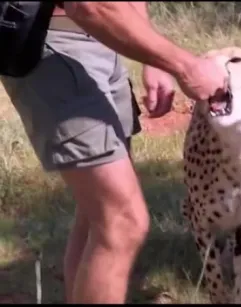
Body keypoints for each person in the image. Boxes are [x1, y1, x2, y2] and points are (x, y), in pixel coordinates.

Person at [0, 2, 227, 304]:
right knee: (121, 221)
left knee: (98, 218)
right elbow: (87, 5)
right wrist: (185, 65)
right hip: (53, 39)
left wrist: (154, 58)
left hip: (105, 35)